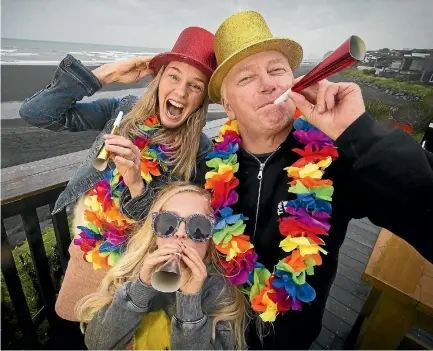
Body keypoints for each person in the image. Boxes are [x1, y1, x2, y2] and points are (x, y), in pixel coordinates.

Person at [203, 11, 433, 349]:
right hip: (216, 330)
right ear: (228, 105)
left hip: (292, 338)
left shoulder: (339, 161)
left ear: (293, 81)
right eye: (247, 78)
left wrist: (359, 133)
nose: (268, 83)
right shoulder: (210, 167)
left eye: (277, 70)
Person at [19, 26, 217, 327]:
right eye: (173, 76)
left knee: (120, 335)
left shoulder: (201, 152)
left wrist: (137, 183)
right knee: (75, 324)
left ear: (202, 99)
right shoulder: (123, 111)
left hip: (141, 267)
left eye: (195, 85)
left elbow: (177, 225)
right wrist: (107, 74)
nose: (180, 91)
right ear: (159, 79)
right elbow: (39, 113)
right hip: (90, 249)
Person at [76, 182, 247, 350]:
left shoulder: (218, 290)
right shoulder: (134, 271)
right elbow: (97, 345)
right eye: (168, 223)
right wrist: (140, 288)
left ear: (210, 241)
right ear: (155, 234)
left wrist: (190, 301)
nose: (180, 233)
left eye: (198, 227)